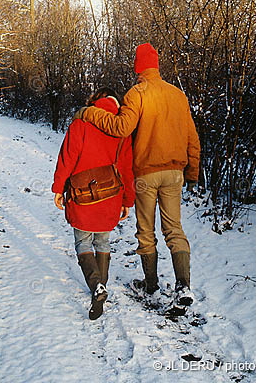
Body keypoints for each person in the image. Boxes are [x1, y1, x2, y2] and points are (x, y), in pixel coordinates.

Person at [75, 44, 200, 308]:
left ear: (138, 67)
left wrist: (89, 112)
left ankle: (151, 285)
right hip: (175, 173)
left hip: (146, 173)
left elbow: (120, 127)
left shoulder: (137, 94)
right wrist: (192, 172)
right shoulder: (178, 95)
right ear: (156, 65)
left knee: (146, 231)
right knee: (174, 229)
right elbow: (192, 138)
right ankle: (183, 286)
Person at [52, 87, 135, 320]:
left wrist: (59, 188)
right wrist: (127, 199)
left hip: (82, 195)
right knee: (103, 240)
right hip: (110, 195)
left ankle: (97, 285)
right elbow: (127, 169)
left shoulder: (80, 124)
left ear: (94, 102)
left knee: (83, 241)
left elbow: (67, 158)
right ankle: (101, 285)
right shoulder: (122, 129)